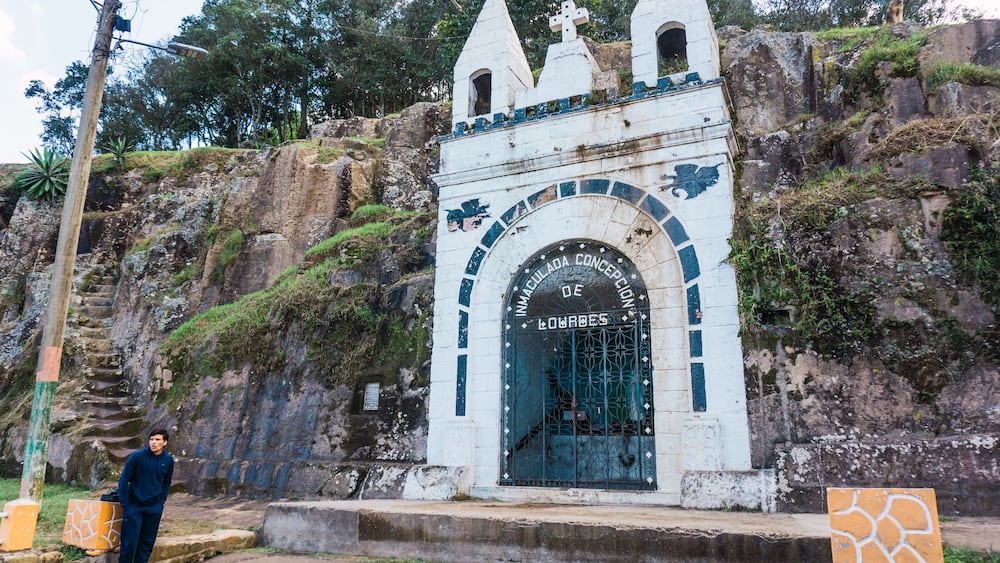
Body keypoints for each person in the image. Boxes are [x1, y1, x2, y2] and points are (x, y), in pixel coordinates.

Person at [118, 429, 174, 563]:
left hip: (154, 508)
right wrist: (125, 504)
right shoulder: (137, 457)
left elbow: (167, 482)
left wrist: (161, 502)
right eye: (151, 439)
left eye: (157, 439)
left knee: (146, 545)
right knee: (129, 544)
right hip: (134, 506)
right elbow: (124, 480)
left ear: (165, 442)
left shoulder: (168, 460)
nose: (153, 442)